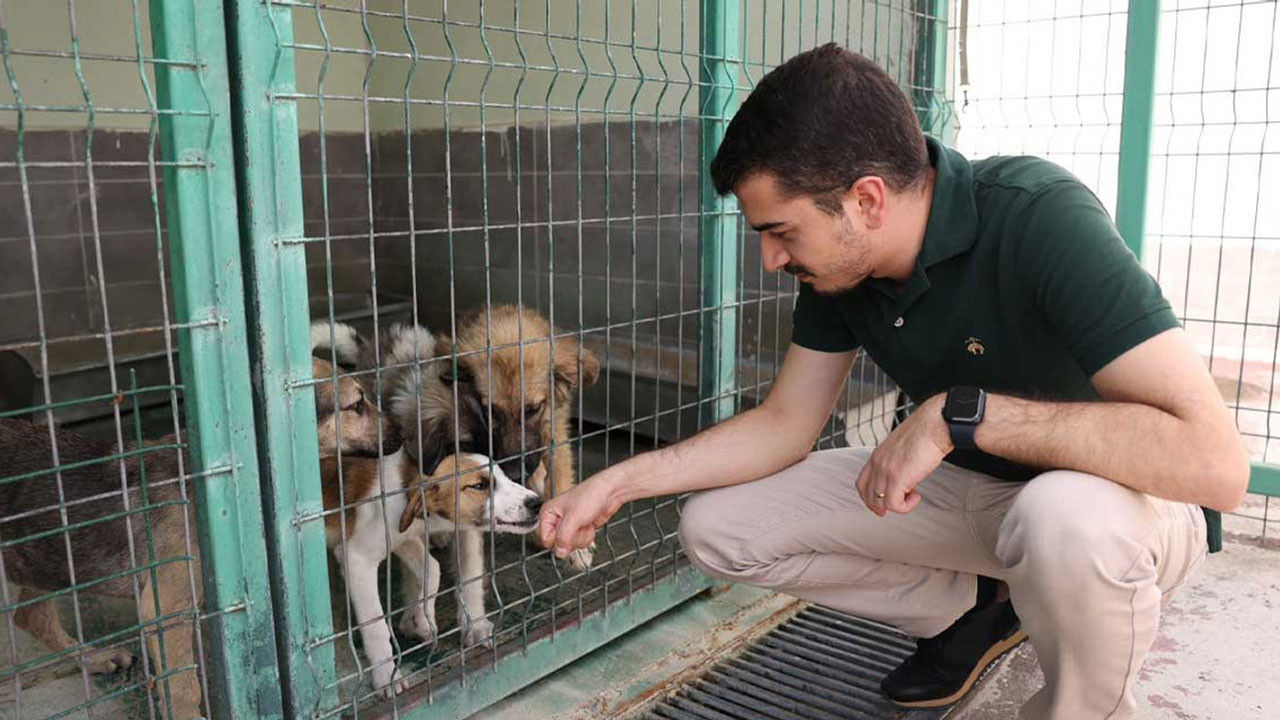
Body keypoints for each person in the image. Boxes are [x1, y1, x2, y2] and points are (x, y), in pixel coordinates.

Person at [537, 43, 1248, 719]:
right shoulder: (842, 265)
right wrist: (619, 482)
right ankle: (980, 606)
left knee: (1061, 519)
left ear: (867, 201)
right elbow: (786, 424)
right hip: (972, 492)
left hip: (1128, 507)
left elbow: (1216, 468)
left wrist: (958, 416)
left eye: (781, 231)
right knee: (717, 527)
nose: (770, 260)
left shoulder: (1039, 216)